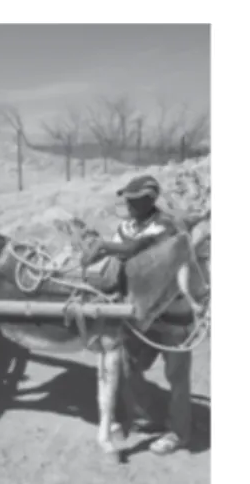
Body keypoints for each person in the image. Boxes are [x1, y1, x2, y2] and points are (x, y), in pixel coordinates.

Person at [80, 174, 195, 455]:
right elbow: (120, 255)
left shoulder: (166, 227)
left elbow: (138, 250)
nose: (128, 205)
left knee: (177, 378)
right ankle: (147, 414)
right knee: (126, 364)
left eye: (134, 201)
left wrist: (105, 246)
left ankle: (179, 432)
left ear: (150, 200)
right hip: (141, 313)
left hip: (172, 315)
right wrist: (94, 253)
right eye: (127, 200)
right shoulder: (127, 226)